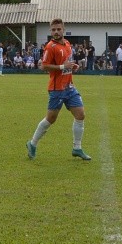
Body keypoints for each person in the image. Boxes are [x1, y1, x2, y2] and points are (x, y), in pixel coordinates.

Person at [27, 18, 91, 161]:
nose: (56, 32)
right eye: (53, 30)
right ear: (51, 31)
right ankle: (32, 143)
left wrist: (72, 66)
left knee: (80, 115)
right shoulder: (50, 47)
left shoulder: (67, 44)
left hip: (69, 87)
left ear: (63, 30)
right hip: (57, 89)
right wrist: (63, 67)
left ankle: (77, 148)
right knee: (51, 118)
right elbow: (44, 66)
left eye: (58, 29)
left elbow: (66, 63)